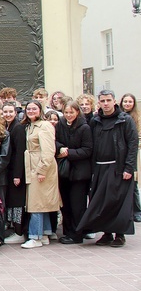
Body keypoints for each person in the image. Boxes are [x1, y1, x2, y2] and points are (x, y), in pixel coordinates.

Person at [77, 90, 138, 247]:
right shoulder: (95, 121)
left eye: (108, 100)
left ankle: (120, 234)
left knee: (118, 202)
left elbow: (132, 145)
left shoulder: (125, 120)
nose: (105, 103)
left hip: (118, 168)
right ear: (99, 102)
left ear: (114, 100)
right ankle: (106, 233)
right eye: (102, 100)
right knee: (101, 202)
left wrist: (129, 168)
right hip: (99, 168)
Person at [20, 100, 60, 249]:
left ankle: (35, 236)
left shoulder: (45, 126)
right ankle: (44, 233)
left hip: (42, 167)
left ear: (40, 110)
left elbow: (49, 151)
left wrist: (42, 170)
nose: (31, 111)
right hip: (32, 165)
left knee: (36, 203)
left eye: (34, 108)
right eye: (28, 109)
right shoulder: (30, 126)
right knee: (39, 202)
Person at [55, 100, 93, 244]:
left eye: (72, 112)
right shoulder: (60, 125)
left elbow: (87, 150)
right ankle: (68, 232)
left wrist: (68, 153)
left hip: (79, 173)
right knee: (66, 205)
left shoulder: (84, 128)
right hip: (64, 172)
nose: (69, 115)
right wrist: (60, 148)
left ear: (77, 112)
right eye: (66, 112)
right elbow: (55, 141)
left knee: (78, 205)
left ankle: (78, 234)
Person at [2, 102, 28, 242]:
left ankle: (19, 233)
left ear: (15, 112)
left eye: (10, 112)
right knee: (11, 202)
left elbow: (19, 152)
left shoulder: (17, 128)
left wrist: (18, 175)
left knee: (17, 203)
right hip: (9, 170)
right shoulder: (6, 126)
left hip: (16, 172)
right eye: (5, 112)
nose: (8, 114)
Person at [120, 93, 141, 222]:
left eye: (130, 102)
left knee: (134, 183)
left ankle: (137, 210)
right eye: (125, 101)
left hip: (133, 154)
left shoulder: (136, 118)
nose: (127, 104)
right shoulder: (118, 116)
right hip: (121, 154)